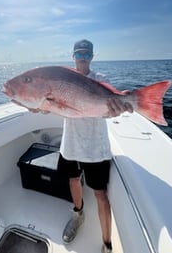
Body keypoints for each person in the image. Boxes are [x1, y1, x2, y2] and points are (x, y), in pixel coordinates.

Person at [58, 39, 133, 253]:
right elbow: (48, 105)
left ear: (92, 57)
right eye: (79, 54)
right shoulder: (64, 77)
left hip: (95, 147)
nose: (83, 58)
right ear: (73, 56)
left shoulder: (99, 79)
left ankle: (107, 244)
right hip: (70, 143)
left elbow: (109, 108)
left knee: (100, 194)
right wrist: (37, 106)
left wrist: (120, 107)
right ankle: (78, 215)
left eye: (86, 55)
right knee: (73, 180)